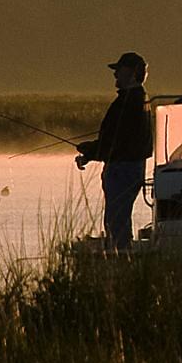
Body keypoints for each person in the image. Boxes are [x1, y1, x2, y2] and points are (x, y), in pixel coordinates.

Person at [75, 52, 152, 250]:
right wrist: (92, 151)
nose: (115, 74)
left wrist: (91, 151)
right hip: (131, 167)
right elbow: (116, 138)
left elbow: (116, 140)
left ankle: (120, 255)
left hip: (122, 169)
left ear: (133, 72)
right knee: (118, 217)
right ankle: (120, 251)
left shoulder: (128, 101)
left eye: (120, 70)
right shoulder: (140, 99)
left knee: (116, 219)